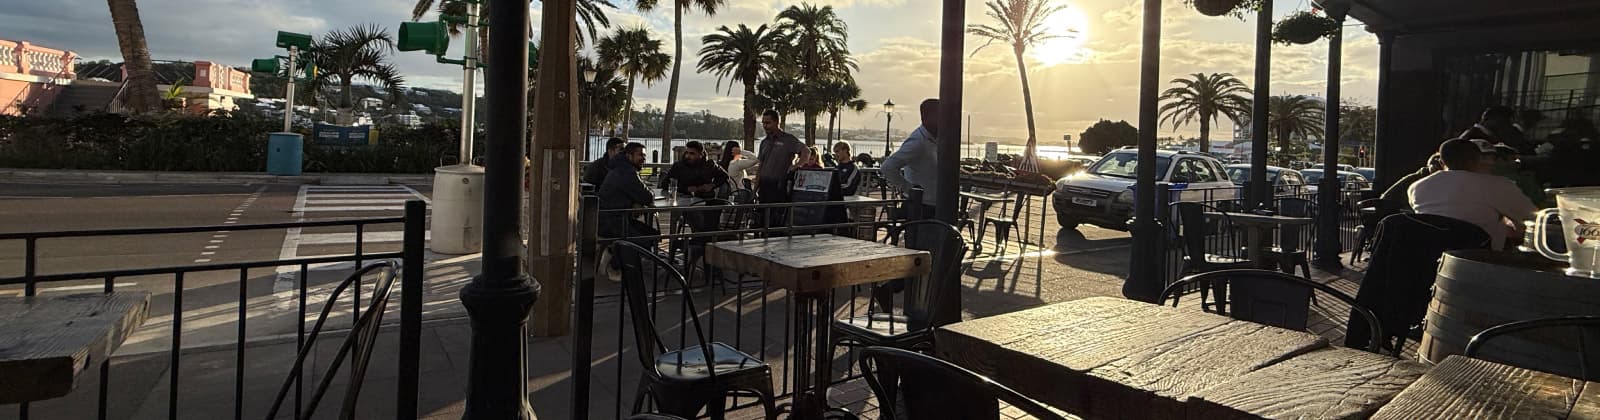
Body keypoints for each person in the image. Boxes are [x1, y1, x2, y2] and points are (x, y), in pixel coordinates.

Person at [1408, 138, 1538, 251]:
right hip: (1479, 263)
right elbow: (1533, 220)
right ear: (1477, 160)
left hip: (1428, 259)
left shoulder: (1416, 187)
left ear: (1441, 162)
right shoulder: (1498, 185)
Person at [881, 98, 942, 215]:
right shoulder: (918, 142)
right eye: (942, 116)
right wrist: (910, 189)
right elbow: (887, 167)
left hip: (934, 204)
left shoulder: (935, 139)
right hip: (922, 206)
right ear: (930, 117)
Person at [598, 142, 659, 247]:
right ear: (629, 156)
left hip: (609, 219)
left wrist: (634, 202)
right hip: (612, 223)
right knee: (651, 237)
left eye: (644, 155)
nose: (643, 159)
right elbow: (647, 196)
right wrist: (638, 201)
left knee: (652, 234)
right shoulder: (626, 171)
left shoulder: (620, 167)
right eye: (640, 155)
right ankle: (630, 262)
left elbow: (635, 191)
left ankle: (633, 260)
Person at [755, 110, 810, 204]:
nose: (765, 126)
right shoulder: (764, 142)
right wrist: (755, 189)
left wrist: (796, 165)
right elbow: (761, 166)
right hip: (764, 186)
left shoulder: (788, 140)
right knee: (762, 216)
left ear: (777, 122)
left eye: (768, 123)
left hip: (779, 185)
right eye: (763, 123)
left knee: (776, 216)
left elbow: (806, 151)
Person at [658, 141, 729, 200]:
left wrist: (712, 185)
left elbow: (724, 176)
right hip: (683, 200)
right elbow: (665, 184)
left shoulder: (710, 164)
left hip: (706, 200)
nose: (688, 156)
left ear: (701, 154)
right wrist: (686, 189)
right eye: (687, 153)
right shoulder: (678, 166)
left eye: (692, 153)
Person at [1459, 106, 1531, 153]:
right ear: (1492, 119)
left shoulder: (1494, 135)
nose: (1508, 125)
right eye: (1505, 121)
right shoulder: (1473, 135)